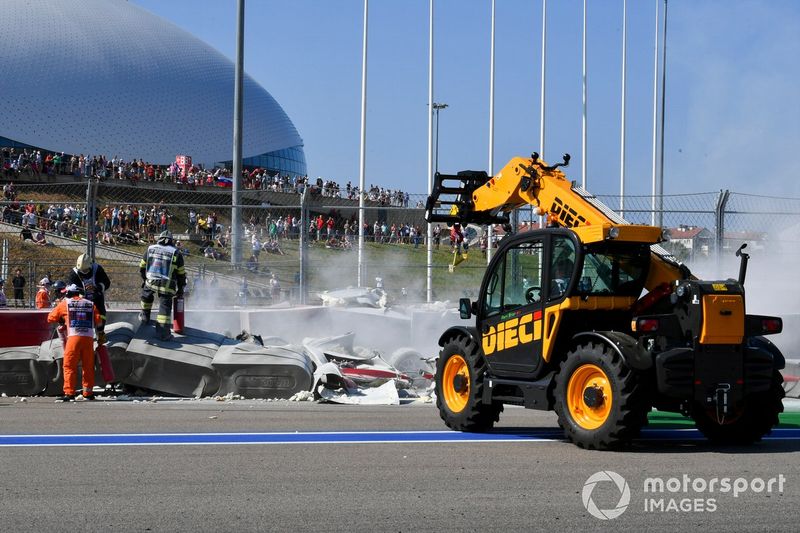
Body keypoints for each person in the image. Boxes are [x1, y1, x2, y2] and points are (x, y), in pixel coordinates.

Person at [47, 284, 101, 401]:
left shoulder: (65, 304)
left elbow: (50, 318)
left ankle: (69, 393)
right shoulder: (90, 304)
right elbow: (99, 321)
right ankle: (88, 393)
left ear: (68, 293)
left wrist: (62, 319)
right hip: (88, 338)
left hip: (73, 338)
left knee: (69, 365)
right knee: (88, 366)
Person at [139, 230, 186, 341]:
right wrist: (180, 289)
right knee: (164, 307)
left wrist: (145, 279)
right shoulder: (176, 253)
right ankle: (163, 333)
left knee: (146, 296)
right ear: (171, 241)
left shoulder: (150, 249)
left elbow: (142, 267)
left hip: (151, 281)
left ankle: (145, 317)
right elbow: (181, 274)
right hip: (167, 285)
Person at [67, 254, 111, 346]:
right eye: (82, 271)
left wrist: (97, 287)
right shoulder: (74, 273)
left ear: (91, 266)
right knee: (84, 320)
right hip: (82, 301)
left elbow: (107, 283)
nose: (84, 272)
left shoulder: (97, 269)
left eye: (86, 270)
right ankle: (84, 337)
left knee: (101, 316)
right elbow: (70, 289)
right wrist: (79, 292)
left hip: (97, 298)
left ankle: (100, 333)